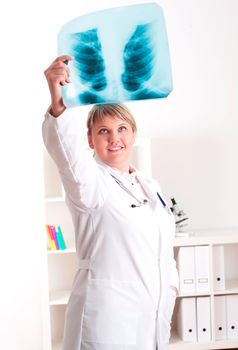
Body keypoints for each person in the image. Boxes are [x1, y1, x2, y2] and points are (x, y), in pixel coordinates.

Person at [43, 55, 179, 350]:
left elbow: (163, 248)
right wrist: (58, 99)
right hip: (108, 321)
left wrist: (170, 288)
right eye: (103, 131)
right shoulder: (90, 184)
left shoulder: (149, 185)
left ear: (133, 134)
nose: (114, 138)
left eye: (121, 129)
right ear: (90, 140)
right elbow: (69, 156)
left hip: (150, 319)